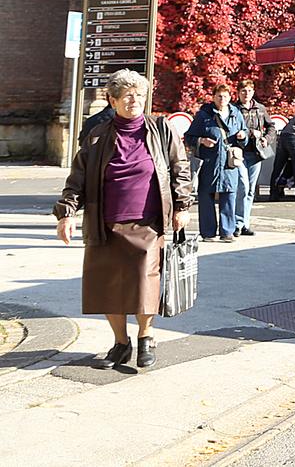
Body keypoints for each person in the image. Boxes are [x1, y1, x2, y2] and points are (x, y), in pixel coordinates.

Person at [54, 69, 193, 370]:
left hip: (147, 221)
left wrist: (182, 205)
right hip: (105, 223)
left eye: (139, 94)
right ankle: (120, 343)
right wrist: (66, 213)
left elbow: (179, 167)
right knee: (107, 286)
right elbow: (77, 178)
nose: (135, 100)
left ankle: (146, 336)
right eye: (128, 95)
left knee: (145, 281)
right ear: (113, 100)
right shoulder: (97, 135)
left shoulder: (160, 129)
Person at [184, 84, 244, 241]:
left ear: (230, 98)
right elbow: (189, 137)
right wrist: (202, 140)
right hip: (209, 162)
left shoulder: (236, 114)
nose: (222, 99)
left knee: (229, 195)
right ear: (213, 97)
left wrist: (243, 137)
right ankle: (208, 232)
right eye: (219, 96)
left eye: (225, 96)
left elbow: (245, 139)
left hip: (229, 163)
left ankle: (227, 231)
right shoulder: (203, 115)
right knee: (206, 197)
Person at [234, 81, 272, 236]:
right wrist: (251, 132)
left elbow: (271, 127)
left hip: (256, 153)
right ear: (238, 92)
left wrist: (266, 138)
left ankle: (245, 224)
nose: (246, 93)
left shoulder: (260, 109)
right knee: (242, 187)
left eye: (249, 90)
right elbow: (232, 128)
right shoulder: (234, 109)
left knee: (250, 190)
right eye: (243, 91)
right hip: (240, 152)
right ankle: (237, 223)